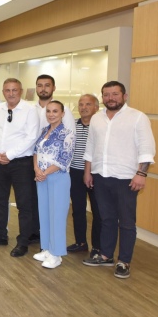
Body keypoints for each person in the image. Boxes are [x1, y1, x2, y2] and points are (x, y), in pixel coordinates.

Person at [82, 81, 155, 279]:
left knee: (127, 222)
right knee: (106, 219)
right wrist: (88, 172)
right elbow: (90, 147)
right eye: (106, 95)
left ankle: (124, 261)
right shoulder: (97, 118)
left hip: (126, 179)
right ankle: (106, 255)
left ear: (125, 96)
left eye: (115, 94)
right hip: (100, 176)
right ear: (102, 97)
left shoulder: (138, 117)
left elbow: (147, 148)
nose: (110, 98)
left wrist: (141, 174)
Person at [0, 78, 40, 258]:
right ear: (3, 92)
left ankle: (23, 241)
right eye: (7, 90)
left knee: (24, 204)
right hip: (0, 161)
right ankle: (1, 235)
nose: (11, 93)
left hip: (21, 163)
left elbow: (31, 137)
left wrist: (10, 154)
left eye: (14, 90)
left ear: (20, 91)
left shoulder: (30, 110)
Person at [32, 101, 75, 269]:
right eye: (49, 111)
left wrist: (44, 172)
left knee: (57, 216)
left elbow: (64, 159)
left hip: (58, 178)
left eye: (55, 111)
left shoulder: (67, 134)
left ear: (63, 113)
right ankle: (47, 249)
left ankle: (56, 254)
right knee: (44, 214)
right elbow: (36, 152)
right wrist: (37, 169)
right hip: (41, 178)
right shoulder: (44, 131)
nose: (51, 114)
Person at [67, 94, 101, 256]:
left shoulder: (100, 127)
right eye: (81, 104)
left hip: (96, 173)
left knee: (98, 211)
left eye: (88, 104)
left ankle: (97, 247)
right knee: (78, 209)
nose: (84, 107)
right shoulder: (72, 125)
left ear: (96, 108)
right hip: (75, 172)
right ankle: (80, 242)